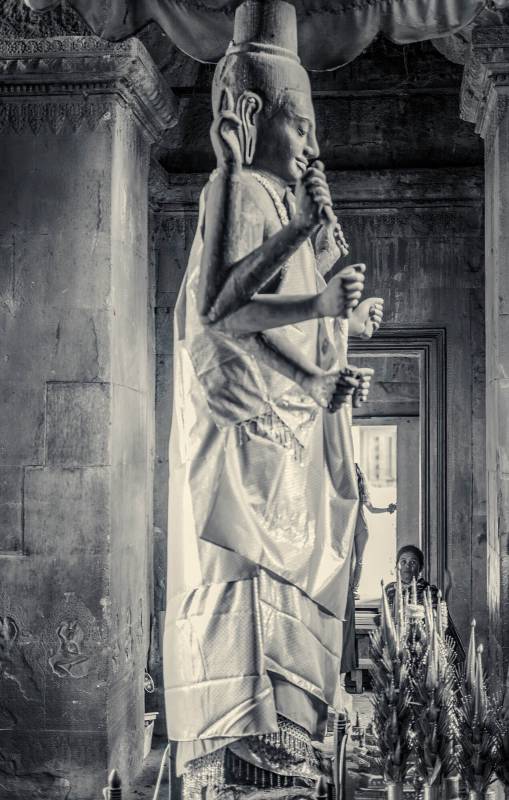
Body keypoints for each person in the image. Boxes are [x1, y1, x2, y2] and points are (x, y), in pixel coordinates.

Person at [162, 3, 378, 798]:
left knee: (295, 594)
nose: (311, 143)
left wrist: (332, 340)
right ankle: (251, 746)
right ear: (248, 122)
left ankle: (287, 739)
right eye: (297, 123)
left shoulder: (278, 202)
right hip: (245, 448)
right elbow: (222, 312)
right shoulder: (239, 188)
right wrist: (317, 298)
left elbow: (280, 338)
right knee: (251, 613)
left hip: (278, 449)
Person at [385, 544, 465, 660]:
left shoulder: (430, 592)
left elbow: (440, 627)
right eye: (403, 562)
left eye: (413, 562)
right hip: (395, 646)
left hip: (424, 649)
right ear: (396, 566)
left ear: (420, 568)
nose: (407, 566)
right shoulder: (390, 590)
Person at [351, 463, 397, 601]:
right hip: (349, 529)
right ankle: (347, 589)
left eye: (355, 474)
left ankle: (354, 590)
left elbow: (372, 509)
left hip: (361, 529)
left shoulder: (361, 492)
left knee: (358, 561)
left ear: (359, 476)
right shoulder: (344, 491)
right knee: (349, 560)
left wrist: (387, 509)